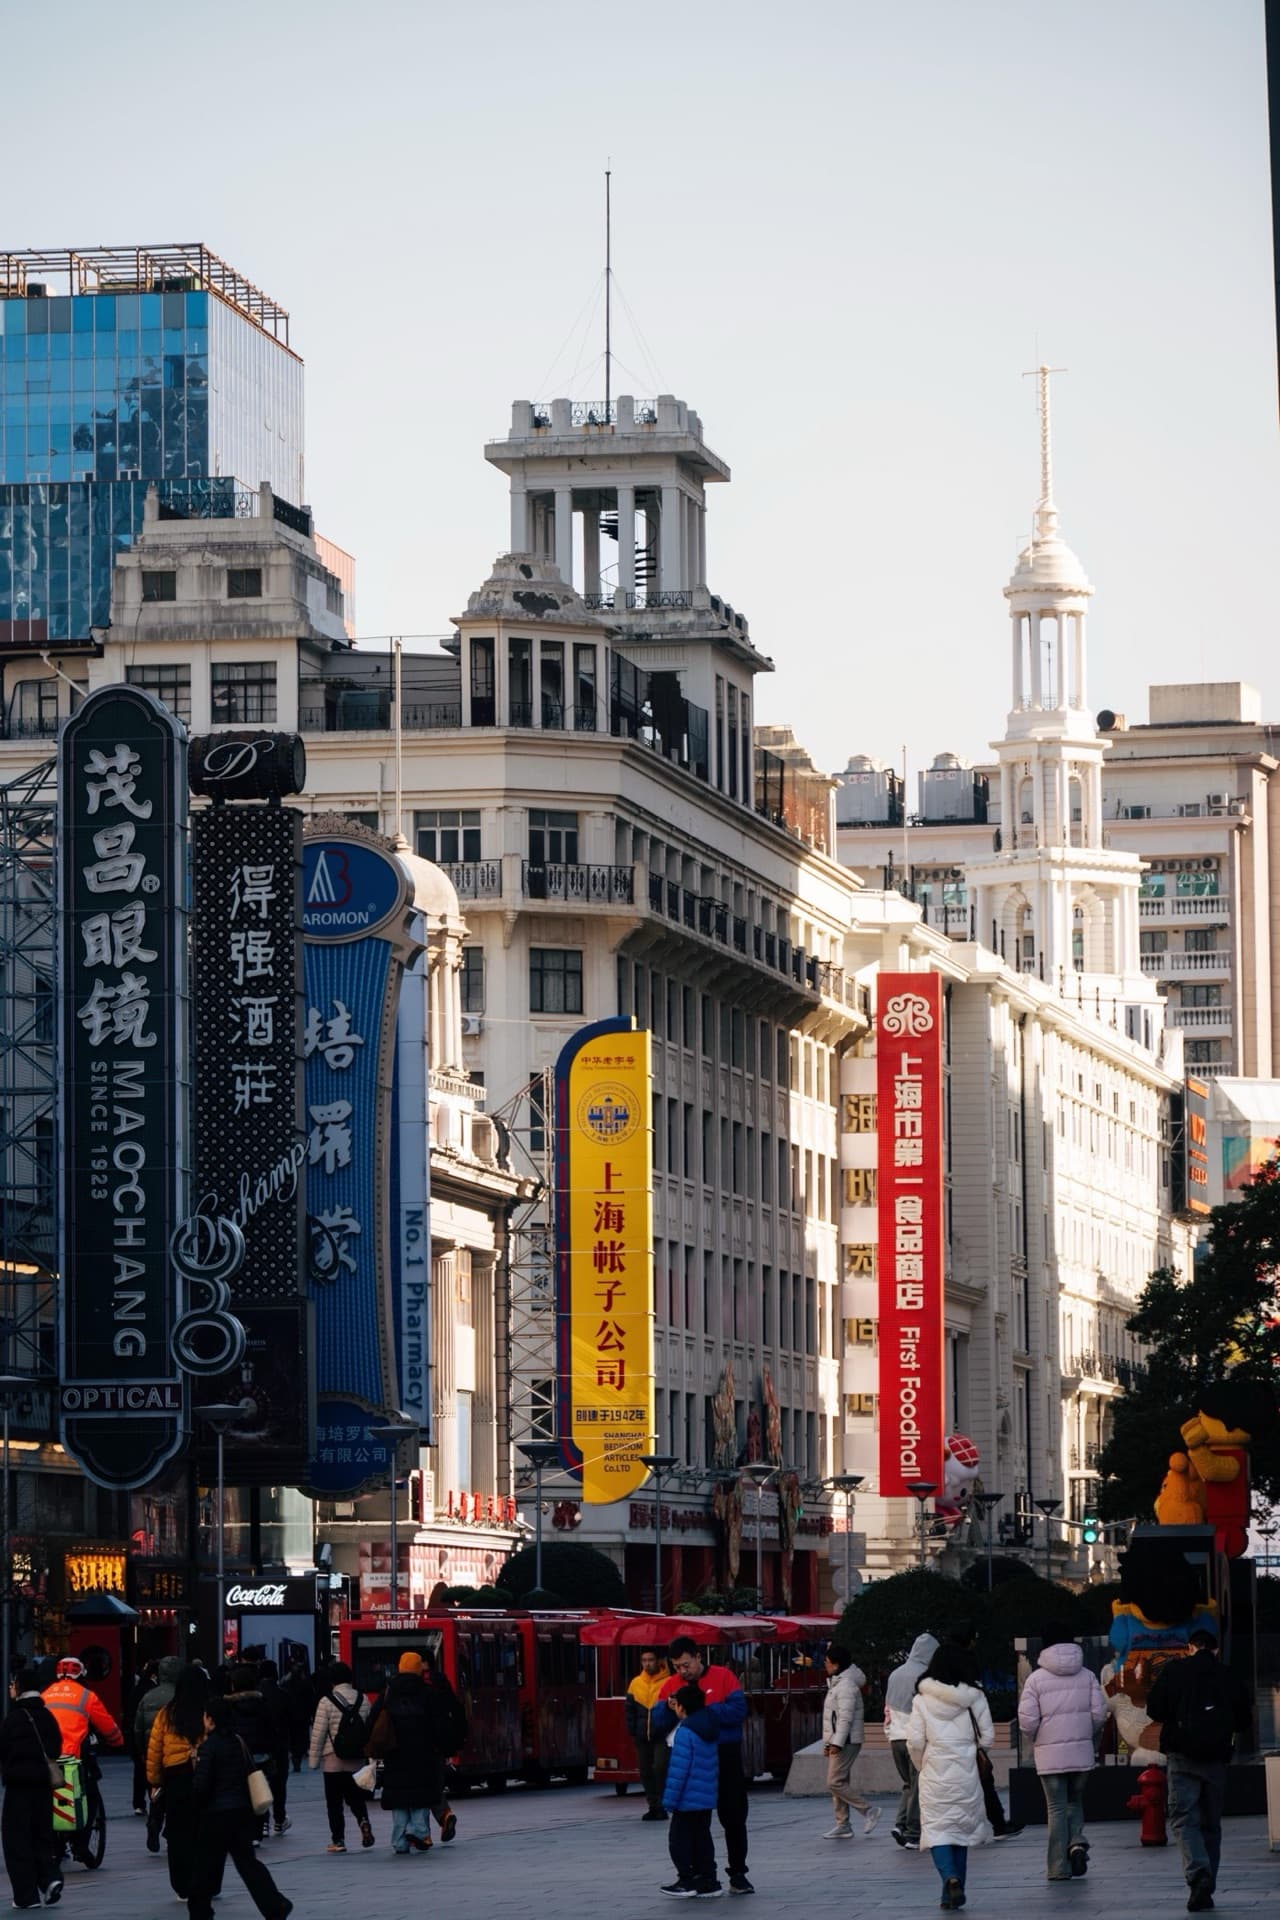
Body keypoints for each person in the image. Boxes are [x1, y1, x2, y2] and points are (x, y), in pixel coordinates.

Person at [1146, 1625, 1252, 1913]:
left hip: (1182, 1755)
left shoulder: (1175, 1671)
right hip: (1216, 1757)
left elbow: (1154, 1709)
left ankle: (1198, 1874)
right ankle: (1207, 1884)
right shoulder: (1228, 1675)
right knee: (1210, 1824)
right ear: (1216, 1650)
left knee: (1184, 1819)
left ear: (1189, 1648)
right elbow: (1244, 1719)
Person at [656, 1635, 752, 1896]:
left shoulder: (724, 1677)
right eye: (677, 1666)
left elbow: (738, 1711)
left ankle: (738, 1873)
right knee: (696, 1821)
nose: (682, 1671)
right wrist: (669, 1707)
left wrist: (701, 1711)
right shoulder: (670, 1685)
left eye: (686, 1664)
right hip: (692, 1757)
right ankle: (703, 1876)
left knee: (733, 1816)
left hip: (725, 1753)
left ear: (698, 1657)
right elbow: (657, 1721)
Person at [1016, 1622, 1107, 1882]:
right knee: (1075, 1802)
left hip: (1050, 1756)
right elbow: (1099, 1713)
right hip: (1081, 1753)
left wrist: (1037, 1738)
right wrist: (1084, 1733)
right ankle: (1076, 1843)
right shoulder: (1087, 1675)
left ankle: (1058, 1867)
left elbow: (1027, 1721)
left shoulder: (1035, 1679)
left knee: (1056, 1808)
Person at [906, 1643, 994, 1912]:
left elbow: (915, 1741)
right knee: (960, 1831)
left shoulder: (922, 1700)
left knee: (937, 1830)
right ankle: (953, 1892)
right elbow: (987, 1737)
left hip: (935, 1773)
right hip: (966, 1774)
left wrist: (921, 1765)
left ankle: (949, 1878)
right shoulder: (975, 1697)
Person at [187, 1695, 292, 1920]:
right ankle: (275, 1905)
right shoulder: (238, 1742)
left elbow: (202, 1786)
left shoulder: (208, 1747)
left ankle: (200, 1913)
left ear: (210, 1719)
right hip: (241, 1812)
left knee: (203, 1869)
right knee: (248, 1865)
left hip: (216, 1816)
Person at [365, 1652, 452, 1856]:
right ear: (419, 1669)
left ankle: (399, 1841)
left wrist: (368, 1743)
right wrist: (444, 1747)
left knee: (399, 1797)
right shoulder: (428, 1693)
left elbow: (373, 1719)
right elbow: (440, 1725)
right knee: (421, 1793)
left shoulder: (388, 1692)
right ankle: (418, 1831)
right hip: (423, 1753)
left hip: (394, 1753)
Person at [945, 1625, 1022, 1840]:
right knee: (984, 1783)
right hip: (969, 1738)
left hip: (945, 1741)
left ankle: (958, 1828)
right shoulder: (968, 1664)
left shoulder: (940, 1668)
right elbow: (979, 1711)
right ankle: (998, 1824)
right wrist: (983, 1746)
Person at [148, 1664, 215, 1904]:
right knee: (204, 1831)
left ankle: (181, 1884)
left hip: (175, 1776)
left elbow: (155, 1749)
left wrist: (154, 1780)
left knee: (177, 1833)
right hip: (204, 1774)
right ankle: (205, 1881)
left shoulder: (167, 1713)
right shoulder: (209, 1711)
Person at [0, 1668, 62, 1911]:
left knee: (17, 1840)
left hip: (18, 1787)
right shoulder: (48, 1716)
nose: (10, 1687)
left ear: (20, 1687)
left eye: (13, 1683)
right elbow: (56, 1748)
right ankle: (50, 1878)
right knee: (42, 1835)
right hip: (43, 1786)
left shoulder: (13, 1719)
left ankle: (26, 1896)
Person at [660, 1682, 723, 1899]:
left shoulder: (685, 1732)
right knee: (702, 1839)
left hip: (686, 1798)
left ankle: (686, 1880)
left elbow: (679, 1771)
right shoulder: (709, 1727)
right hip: (705, 1797)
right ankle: (708, 1881)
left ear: (682, 1706)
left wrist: (669, 1801)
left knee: (679, 1840)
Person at [308, 1660, 374, 1854]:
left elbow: (319, 1733)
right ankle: (363, 1821)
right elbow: (368, 1729)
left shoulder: (326, 1701)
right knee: (356, 1798)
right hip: (356, 1759)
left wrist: (313, 1761)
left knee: (334, 1803)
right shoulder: (363, 1699)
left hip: (333, 1760)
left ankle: (338, 1840)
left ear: (332, 1681)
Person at [884, 1632, 938, 1848]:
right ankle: (913, 1832)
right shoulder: (925, 1675)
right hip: (914, 1739)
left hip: (895, 1737)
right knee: (918, 1785)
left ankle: (900, 1824)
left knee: (909, 1783)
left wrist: (889, 1733)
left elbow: (887, 1709)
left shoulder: (895, 1674)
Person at [822, 1644, 879, 1839]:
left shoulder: (845, 1685)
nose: (825, 1665)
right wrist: (829, 1742)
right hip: (841, 1739)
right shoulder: (839, 1682)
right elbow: (835, 1718)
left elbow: (845, 1718)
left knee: (834, 1782)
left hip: (846, 1740)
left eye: (827, 1662)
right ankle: (843, 1824)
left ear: (836, 1664)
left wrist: (836, 1743)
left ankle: (868, 1810)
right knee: (840, 1781)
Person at [224, 1664, 277, 1843]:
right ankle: (258, 1830)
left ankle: (243, 1830)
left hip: (237, 1755)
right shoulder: (262, 1704)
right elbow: (271, 1729)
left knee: (240, 1794)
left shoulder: (229, 1706)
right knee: (258, 1792)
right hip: (261, 1754)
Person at [135, 1654, 182, 1853]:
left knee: (156, 1790)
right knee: (176, 1796)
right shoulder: (182, 1696)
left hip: (152, 1750)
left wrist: (141, 1751)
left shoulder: (148, 1697)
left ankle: (154, 1821)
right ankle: (171, 1830)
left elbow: (138, 1727)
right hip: (176, 1754)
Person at [41, 1656, 124, 1759]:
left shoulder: (45, 1694)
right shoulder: (87, 1695)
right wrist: (117, 1742)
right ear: (81, 1674)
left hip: (47, 1754)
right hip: (71, 1755)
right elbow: (107, 1725)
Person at [421, 1647, 463, 1842]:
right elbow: (455, 1710)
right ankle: (445, 1816)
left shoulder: (418, 1684)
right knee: (435, 1783)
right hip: (440, 1744)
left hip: (421, 1743)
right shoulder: (442, 1682)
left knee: (421, 1787)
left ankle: (425, 1833)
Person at [625, 1647, 672, 1821]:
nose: (647, 1664)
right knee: (645, 1770)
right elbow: (629, 1709)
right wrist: (632, 1730)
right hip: (641, 1735)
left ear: (658, 1661)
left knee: (660, 1767)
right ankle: (653, 1805)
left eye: (650, 1660)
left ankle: (662, 1804)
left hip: (661, 1734)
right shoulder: (635, 1683)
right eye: (644, 1660)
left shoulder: (668, 1681)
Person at [257, 1661, 292, 1836]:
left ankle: (263, 1822)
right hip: (280, 1745)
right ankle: (279, 1819)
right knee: (279, 1784)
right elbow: (291, 1720)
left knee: (260, 1784)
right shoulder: (283, 1694)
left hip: (260, 1746)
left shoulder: (256, 1695)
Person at [125, 1659, 159, 1817]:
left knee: (139, 1772)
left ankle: (138, 1804)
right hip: (151, 1737)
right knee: (153, 1771)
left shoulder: (136, 1689)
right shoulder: (155, 1691)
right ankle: (154, 1800)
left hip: (137, 1737)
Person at [278, 1656, 312, 1774]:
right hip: (302, 1716)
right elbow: (310, 1700)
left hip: (289, 1716)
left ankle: (294, 1757)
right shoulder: (305, 1684)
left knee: (292, 1738)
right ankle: (298, 1757)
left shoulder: (285, 1684)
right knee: (300, 1738)